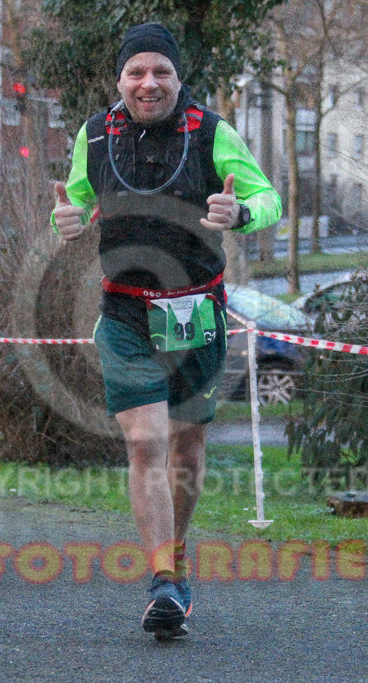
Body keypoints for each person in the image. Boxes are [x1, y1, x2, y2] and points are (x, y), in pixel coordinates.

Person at [51, 23, 280, 639]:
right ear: (120, 79)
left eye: (162, 73)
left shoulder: (212, 133)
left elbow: (267, 198)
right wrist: (66, 220)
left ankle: (174, 562)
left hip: (197, 315)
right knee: (145, 440)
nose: (149, 83)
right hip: (124, 314)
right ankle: (160, 583)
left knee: (186, 447)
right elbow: (73, 201)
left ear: (178, 79)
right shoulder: (94, 135)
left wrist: (243, 212)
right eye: (136, 72)